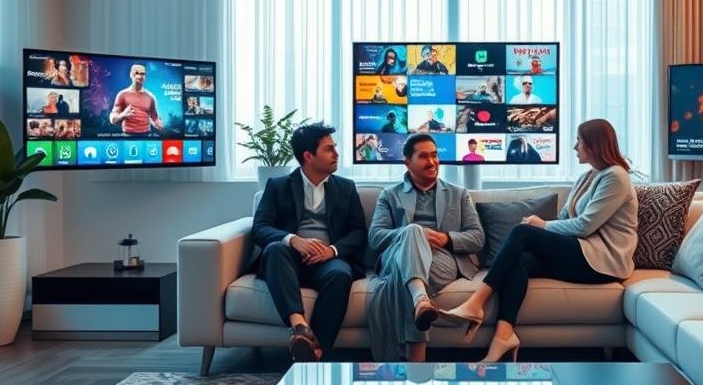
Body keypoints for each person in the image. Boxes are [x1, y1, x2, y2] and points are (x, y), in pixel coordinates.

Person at [443, 119, 638, 363]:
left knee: (522, 233)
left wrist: (541, 226)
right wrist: (539, 224)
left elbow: (584, 226)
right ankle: (504, 336)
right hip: (584, 252)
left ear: (593, 145)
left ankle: (475, 302)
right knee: (519, 261)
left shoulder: (616, 177)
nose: (574, 147)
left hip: (603, 261)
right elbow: (566, 217)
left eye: (579, 141)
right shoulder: (588, 177)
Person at [253, 123, 367, 361]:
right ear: (308, 156)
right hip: (289, 261)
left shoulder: (346, 188)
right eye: (329, 149)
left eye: (335, 148)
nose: (336, 154)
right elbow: (260, 228)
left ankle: (314, 351)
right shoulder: (278, 186)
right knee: (275, 249)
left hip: (327, 262)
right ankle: (299, 326)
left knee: (341, 274)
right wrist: (293, 240)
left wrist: (332, 251)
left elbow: (358, 232)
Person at [366, 134, 485, 361]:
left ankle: (402, 365)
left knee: (404, 278)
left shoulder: (458, 193)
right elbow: (375, 238)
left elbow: (477, 237)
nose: (432, 162)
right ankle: (421, 301)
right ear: (407, 163)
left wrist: (446, 239)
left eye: (435, 155)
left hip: (442, 260)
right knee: (412, 231)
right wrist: (410, 233)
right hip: (399, 255)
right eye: (423, 156)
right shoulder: (390, 195)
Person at [109, 63, 165, 135]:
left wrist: (159, 124)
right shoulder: (122, 94)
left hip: (146, 135)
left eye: (143, 74)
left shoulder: (150, 97)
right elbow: (112, 119)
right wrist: (123, 114)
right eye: (137, 73)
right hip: (128, 135)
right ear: (131, 75)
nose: (140, 76)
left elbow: (155, 117)